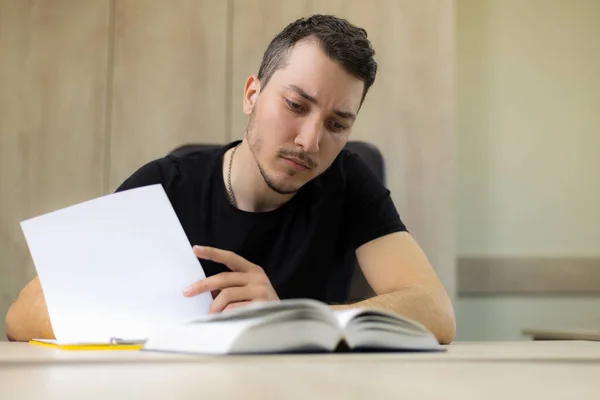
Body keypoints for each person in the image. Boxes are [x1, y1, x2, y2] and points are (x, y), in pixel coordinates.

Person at [5, 15, 455, 344]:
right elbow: (22, 314)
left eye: (337, 124)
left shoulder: (347, 180)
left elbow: (435, 311)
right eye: (296, 106)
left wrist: (291, 316)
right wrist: (181, 321)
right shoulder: (165, 186)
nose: (310, 140)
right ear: (252, 95)